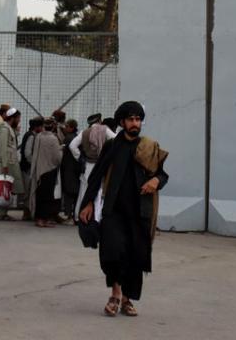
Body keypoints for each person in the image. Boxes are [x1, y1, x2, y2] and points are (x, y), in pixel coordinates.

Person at [79, 101, 168, 318]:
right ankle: (115, 294)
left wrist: (156, 180)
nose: (135, 123)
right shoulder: (112, 146)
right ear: (122, 122)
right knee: (113, 253)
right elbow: (96, 175)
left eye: (138, 119)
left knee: (135, 256)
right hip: (114, 211)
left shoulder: (148, 147)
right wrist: (88, 202)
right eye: (131, 119)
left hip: (140, 212)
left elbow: (163, 174)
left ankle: (128, 299)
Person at [69, 113, 118, 219]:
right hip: (101, 164)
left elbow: (72, 145)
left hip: (88, 165)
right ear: (100, 121)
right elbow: (117, 139)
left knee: (84, 189)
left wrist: (79, 157)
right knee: (100, 189)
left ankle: (78, 215)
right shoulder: (105, 130)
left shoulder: (84, 132)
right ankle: (96, 215)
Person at [28, 118, 63, 228]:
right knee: (47, 196)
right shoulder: (53, 139)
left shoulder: (39, 136)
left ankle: (38, 218)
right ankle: (44, 219)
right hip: (49, 170)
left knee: (39, 195)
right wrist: (61, 151)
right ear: (53, 126)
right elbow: (57, 157)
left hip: (39, 170)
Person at [0, 108, 24, 220]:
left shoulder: (9, 129)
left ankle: (4, 213)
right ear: (13, 118)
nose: (19, 120)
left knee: (8, 187)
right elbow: (2, 148)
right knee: (4, 187)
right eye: (18, 118)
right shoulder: (4, 129)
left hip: (10, 163)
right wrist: (5, 165)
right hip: (5, 164)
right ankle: (1, 213)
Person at [59, 119, 80, 221]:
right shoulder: (77, 137)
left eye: (67, 126)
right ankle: (74, 213)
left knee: (68, 192)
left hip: (68, 168)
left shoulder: (68, 138)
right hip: (76, 169)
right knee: (76, 192)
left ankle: (68, 215)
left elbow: (63, 154)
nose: (65, 128)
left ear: (71, 127)